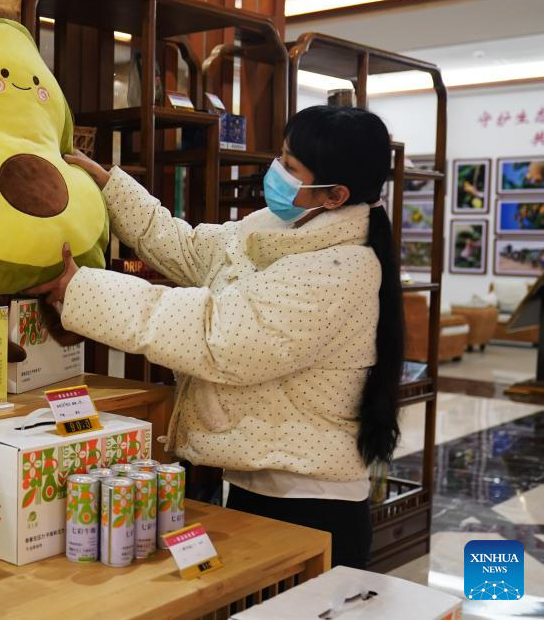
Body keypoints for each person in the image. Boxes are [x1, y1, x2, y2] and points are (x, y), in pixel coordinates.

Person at [30, 105, 402, 568]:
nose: (275, 172)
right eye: (281, 156)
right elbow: (188, 248)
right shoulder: (278, 227)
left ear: (334, 195)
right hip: (255, 481)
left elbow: (216, 336)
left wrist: (83, 290)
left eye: (290, 166)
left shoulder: (339, 271)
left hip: (309, 502)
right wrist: (110, 187)